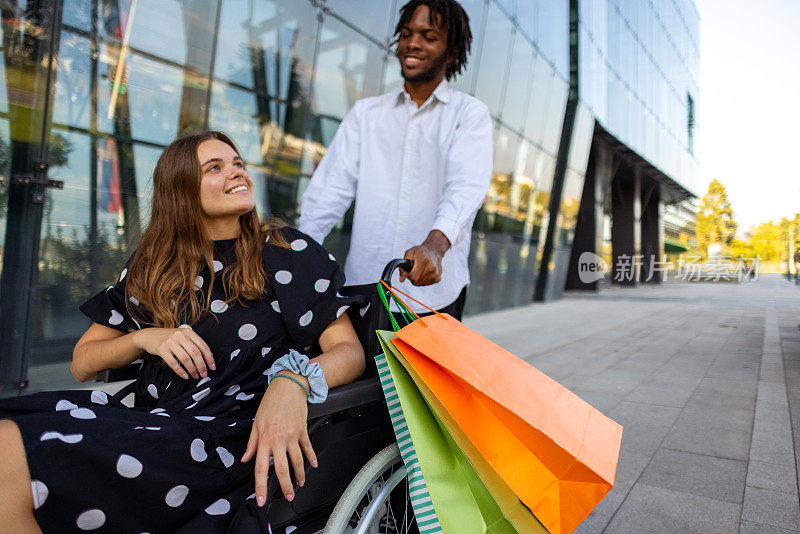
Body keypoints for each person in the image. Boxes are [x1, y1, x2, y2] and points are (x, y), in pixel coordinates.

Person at [0, 131, 366, 533]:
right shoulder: (154, 265)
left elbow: (348, 351)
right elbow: (83, 362)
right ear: (182, 192)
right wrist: (144, 338)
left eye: (238, 163)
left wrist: (292, 381)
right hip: (154, 422)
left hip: (223, 439)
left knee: (18, 450)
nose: (237, 173)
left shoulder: (285, 251)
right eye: (216, 167)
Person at [299, 0, 493, 320]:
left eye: (428, 37)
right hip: (364, 290)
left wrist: (434, 246)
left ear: (453, 50)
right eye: (406, 33)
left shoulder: (470, 115)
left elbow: (466, 188)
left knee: (420, 374)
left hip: (434, 299)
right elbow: (328, 192)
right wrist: (298, 254)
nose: (412, 43)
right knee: (362, 372)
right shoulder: (366, 114)